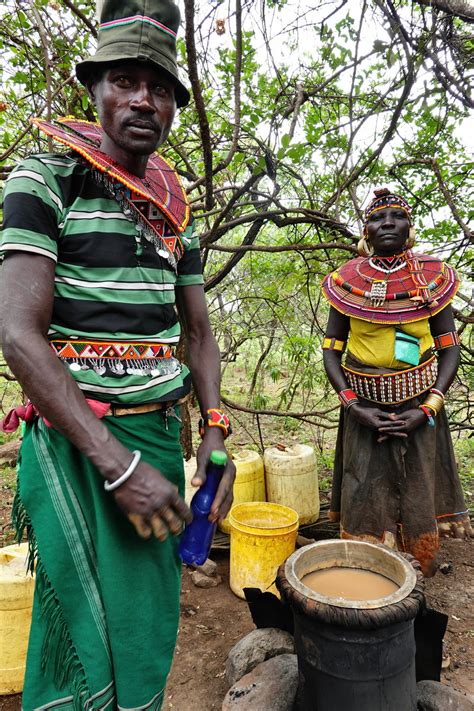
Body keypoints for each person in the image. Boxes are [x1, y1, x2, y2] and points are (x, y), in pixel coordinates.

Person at [0, 1, 235, 709]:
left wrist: (218, 435)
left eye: (159, 86)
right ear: (94, 88)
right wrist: (116, 463)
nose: (143, 99)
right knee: (76, 629)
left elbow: (197, 333)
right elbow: (17, 331)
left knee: (143, 624)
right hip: (84, 449)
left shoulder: (174, 202)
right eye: (125, 80)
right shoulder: (44, 178)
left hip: (158, 439)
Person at [321, 188, 471, 578]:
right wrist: (355, 407)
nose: (387, 223)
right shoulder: (347, 283)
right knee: (364, 485)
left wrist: (429, 408)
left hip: (420, 403)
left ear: (410, 228)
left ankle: (415, 571)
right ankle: (368, 567)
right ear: (365, 232)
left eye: (397, 216)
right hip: (364, 406)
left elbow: (449, 349)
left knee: (418, 483)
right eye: (377, 218)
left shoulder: (433, 279)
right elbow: (331, 351)